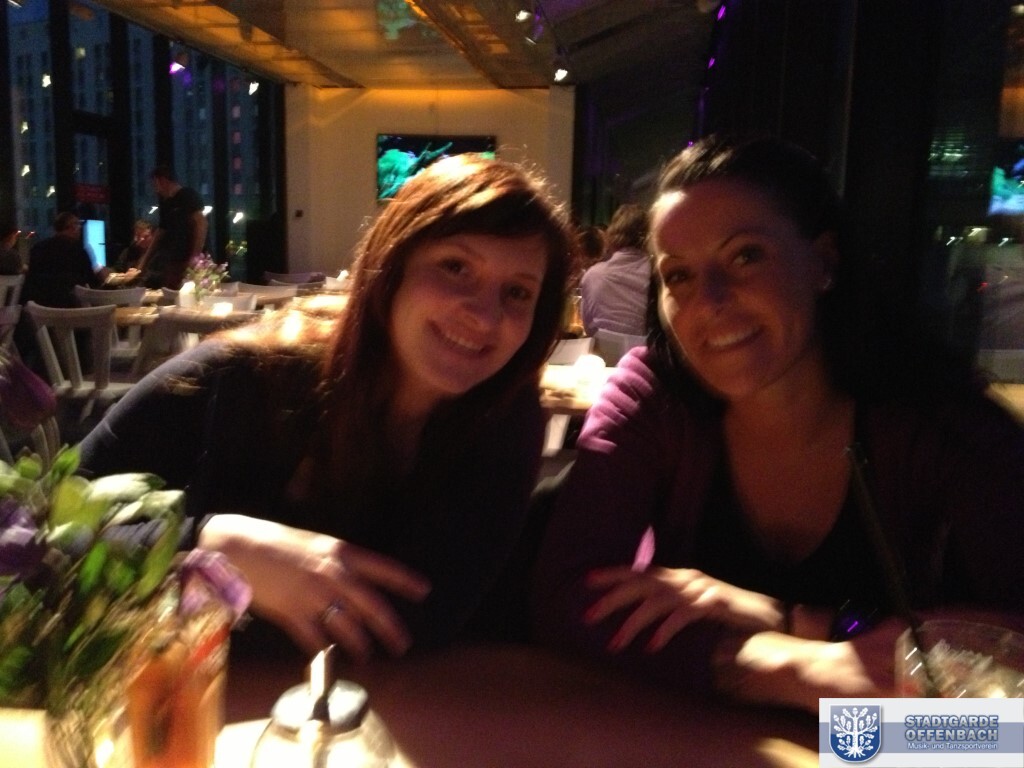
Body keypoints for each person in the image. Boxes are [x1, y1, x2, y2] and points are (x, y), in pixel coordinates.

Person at [530, 135, 1024, 713]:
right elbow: (567, 598)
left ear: (824, 262)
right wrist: (785, 665)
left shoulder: (945, 427)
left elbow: (996, 698)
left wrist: (793, 620)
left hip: (915, 745)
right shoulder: (654, 398)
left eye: (745, 256)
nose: (709, 300)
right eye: (679, 276)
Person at [79, 154, 577, 664]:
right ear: (392, 266)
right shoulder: (242, 374)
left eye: (517, 292)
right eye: (455, 267)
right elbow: (50, 525)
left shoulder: (505, 420)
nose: (485, 316)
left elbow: (423, 617)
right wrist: (211, 545)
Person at [579, 203, 651, 336]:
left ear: (613, 233)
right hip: (647, 349)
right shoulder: (658, 275)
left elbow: (588, 328)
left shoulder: (593, 275)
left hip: (602, 348)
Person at [137, 165, 207, 289]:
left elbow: (201, 224)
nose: (156, 190)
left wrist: (194, 257)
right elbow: (160, 233)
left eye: (155, 184)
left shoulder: (188, 195)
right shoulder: (167, 203)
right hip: (173, 260)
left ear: (162, 180)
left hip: (187, 257)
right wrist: (145, 260)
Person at [20, 212, 105, 307]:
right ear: (72, 227)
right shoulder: (78, 250)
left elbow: (32, 277)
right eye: (78, 224)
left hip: (39, 307)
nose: (80, 228)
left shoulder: (37, 248)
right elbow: (92, 281)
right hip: (71, 308)